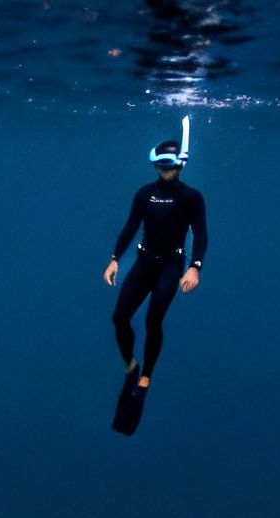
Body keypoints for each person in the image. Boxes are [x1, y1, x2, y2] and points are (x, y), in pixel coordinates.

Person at [105, 139, 207, 397]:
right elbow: (130, 227)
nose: (165, 169)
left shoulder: (192, 197)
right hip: (144, 262)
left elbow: (201, 234)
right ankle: (131, 363)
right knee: (119, 317)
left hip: (171, 265)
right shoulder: (144, 194)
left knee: (153, 320)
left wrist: (195, 267)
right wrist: (115, 258)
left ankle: (147, 373)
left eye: (170, 164)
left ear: (180, 164)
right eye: (160, 164)